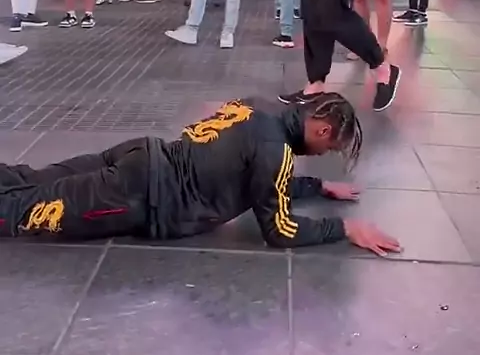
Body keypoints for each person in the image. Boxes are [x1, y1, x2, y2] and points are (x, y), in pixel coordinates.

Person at [0, 91, 400, 258]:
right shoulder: (275, 152)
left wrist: (317, 187)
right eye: (328, 148)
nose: (322, 154)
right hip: (138, 195)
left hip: (142, 154)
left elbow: (256, 180)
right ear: (323, 130)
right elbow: (280, 231)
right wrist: (343, 229)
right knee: (22, 212)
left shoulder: (256, 106)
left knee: (30, 179)